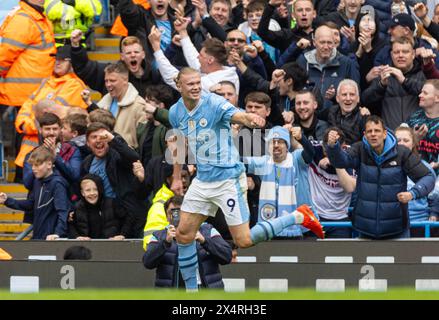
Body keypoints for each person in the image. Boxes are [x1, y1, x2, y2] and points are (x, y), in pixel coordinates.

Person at [168, 67, 323, 291]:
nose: (195, 87)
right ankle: (192, 293)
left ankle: (299, 215)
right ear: (179, 86)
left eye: (197, 83)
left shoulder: (213, 103)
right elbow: (178, 142)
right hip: (202, 180)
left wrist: (250, 118)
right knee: (183, 234)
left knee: (244, 241)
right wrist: (175, 177)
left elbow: (236, 114)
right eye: (190, 84)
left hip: (228, 178)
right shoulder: (176, 112)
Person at [325, 115, 436, 239]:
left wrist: (413, 193)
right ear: (365, 134)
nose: (373, 134)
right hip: (365, 229)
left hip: (397, 229)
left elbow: (428, 177)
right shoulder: (359, 149)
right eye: (369, 131)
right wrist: (333, 147)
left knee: (403, 259)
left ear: (384, 133)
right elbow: (340, 162)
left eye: (377, 131)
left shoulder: (401, 153)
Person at [14, 45, 88, 170]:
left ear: (73, 63)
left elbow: (54, 117)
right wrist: (23, 124)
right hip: (28, 153)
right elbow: (28, 105)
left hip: (51, 153)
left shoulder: (75, 85)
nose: (58, 62)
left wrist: (29, 126)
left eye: (63, 60)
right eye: (56, 59)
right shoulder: (47, 82)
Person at [143, 196, 233, 288]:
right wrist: (165, 242)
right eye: (172, 212)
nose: (176, 215)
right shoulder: (159, 236)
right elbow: (147, 262)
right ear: (166, 216)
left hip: (206, 293)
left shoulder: (207, 230)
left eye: (180, 211)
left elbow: (227, 256)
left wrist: (204, 241)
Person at [244, 126, 316, 239]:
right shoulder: (264, 162)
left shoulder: (296, 159)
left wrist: (302, 139)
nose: (276, 145)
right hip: (272, 228)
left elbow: (310, 153)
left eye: (281, 142)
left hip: (302, 227)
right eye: (273, 142)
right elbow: (241, 162)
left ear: (287, 146)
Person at [82, 122, 146, 238]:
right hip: (104, 217)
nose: (98, 140)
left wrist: (113, 139)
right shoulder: (87, 162)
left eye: (102, 137)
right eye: (93, 137)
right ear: (87, 143)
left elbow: (133, 157)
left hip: (127, 215)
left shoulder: (117, 155)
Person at [149, 18, 239, 93]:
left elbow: (171, 76)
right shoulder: (228, 72)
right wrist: (183, 31)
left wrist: (156, 48)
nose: (197, 57)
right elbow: (193, 57)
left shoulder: (210, 83)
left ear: (210, 60)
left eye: (201, 55)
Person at [0, 146, 70, 240]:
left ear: (49, 164)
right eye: (32, 165)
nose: (33, 169)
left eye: (37, 165)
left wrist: (58, 233)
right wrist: (7, 200)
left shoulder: (57, 184)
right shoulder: (37, 181)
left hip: (52, 240)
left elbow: (63, 211)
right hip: (39, 236)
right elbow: (31, 204)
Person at [0, 0, 56, 108]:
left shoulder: (38, 17)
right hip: (24, 94)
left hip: (35, 93)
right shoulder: (23, 20)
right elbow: (5, 55)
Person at [71, 31, 161, 98]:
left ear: (143, 54)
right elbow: (84, 69)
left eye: (136, 52)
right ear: (122, 56)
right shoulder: (110, 73)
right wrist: (76, 47)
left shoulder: (155, 76)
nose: (133, 55)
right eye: (128, 53)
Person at [362, 36, 426, 131]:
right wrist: (381, 85)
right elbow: (365, 99)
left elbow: (431, 95)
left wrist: (404, 81)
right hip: (391, 136)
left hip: (417, 135)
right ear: (391, 55)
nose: (400, 55)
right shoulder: (383, 76)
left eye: (405, 52)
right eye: (396, 52)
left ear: (413, 54)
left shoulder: (423, 74)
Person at [296, 24, 360, 111]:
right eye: (322, 42)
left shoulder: (346, 63)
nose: (326, 47)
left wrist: (334, 97)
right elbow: (295, 92)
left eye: (329, 43)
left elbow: (356, 95)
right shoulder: (303, 61)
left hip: (335, 119)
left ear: (334, 43)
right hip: (308, 117)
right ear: (314, 42)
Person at [394, 125, 438, 237]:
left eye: (406, 140)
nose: (402, 143)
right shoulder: (383, 166)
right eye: (398, 140)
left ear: (413, 143)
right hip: (393, 224)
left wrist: (434, 213)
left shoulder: (425, 167)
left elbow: (433, 197)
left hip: (420, 223)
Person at [95, 61, 148, 150]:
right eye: (106, 81)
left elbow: (142, 142)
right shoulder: (103, 103)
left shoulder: (139, 106)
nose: (108, 84)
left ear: (125, 80)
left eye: (112, 80)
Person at [69, 174, 130, 240]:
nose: (92, 193)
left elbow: (128, 219)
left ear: (100, 190)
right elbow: (71, 225)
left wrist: (122, 235)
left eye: (95, 189)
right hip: (87, 245)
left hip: (111, 244)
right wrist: (76, 236)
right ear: (82, 192)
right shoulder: (77, 207)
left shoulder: (112, 203)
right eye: (88, 190)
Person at [407, 79, 439, 174]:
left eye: (425, 93)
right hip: (415, 175)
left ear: (437, 98)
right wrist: (414, 139)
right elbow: (400, 149)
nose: (420, 95)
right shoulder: (413, 118)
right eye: (421, 92)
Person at [327, 80, 368, 145]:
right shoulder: (332, 112)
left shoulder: (364, 116)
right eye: (344, 94)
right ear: (337, 98)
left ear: (358, 99)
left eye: (352, 94)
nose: (348, 98)